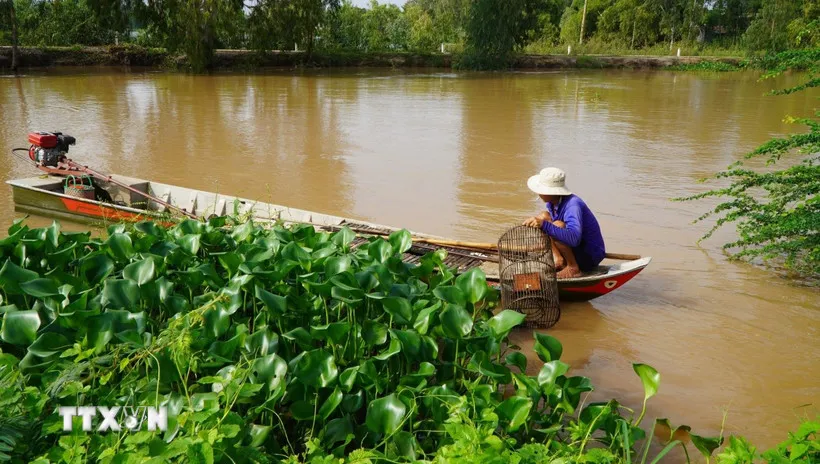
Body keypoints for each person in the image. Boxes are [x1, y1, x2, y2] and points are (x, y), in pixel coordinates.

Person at [522, 167, 605, 278]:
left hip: (590, 255)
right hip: (577, 250)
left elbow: (574, 239)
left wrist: (543, 225)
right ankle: (559, 260)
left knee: (557, 225)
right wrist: (543, 222)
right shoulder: (552, 203)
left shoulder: (573, 205)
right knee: (543, 216)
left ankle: (573, 268)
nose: (538, 193)